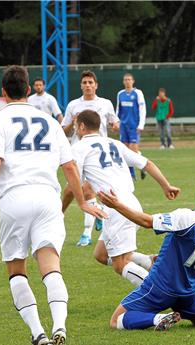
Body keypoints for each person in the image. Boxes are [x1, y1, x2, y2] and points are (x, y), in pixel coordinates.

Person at [0, 65, 106, 345]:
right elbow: (69, 168)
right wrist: (80, 203)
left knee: (17, 269)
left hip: (14, 199)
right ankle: (60, 326)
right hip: (48, 198)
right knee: (51, 265)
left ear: (3, 93)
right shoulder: (50, 122)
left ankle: (38, 332)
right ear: (28, 90)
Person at [98, 173, 195, 331]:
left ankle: (159, 317)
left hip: (161, 287)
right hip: (190, 293)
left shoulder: (187, 217)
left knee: (116, 320)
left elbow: (147, 221)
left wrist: (116, 205)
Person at [64, 109, 180, 288]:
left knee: (120, 264)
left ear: (81, 126)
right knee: (101, 254)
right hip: (131, 204)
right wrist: (166, 186)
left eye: (75, 126)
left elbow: (72, 185)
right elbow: (146, 163)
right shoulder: (114, 143)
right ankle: (149, 262)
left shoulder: (78, 148)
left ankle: (158, 292)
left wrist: (62, 210)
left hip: (116, 207)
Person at [61, 70, 120, 247]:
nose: (87, 85)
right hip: (76, 153)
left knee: (87, 191)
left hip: (96, 155)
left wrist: (115, 125)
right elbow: (63, 131)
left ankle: (86, 234)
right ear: (81, 85)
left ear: (96, 85)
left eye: (90, 82)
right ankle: (98, 210)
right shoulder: (73, 105)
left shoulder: (105, 103)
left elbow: (114, 122)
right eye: (84, 82)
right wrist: (72, 121)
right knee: (71, 191)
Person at [116, 73, 147, 180]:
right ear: (123, 82)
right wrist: (117, 122)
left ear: (133, 81)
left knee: (133, 150)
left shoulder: (138, 93)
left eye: (129, 79)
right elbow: (118, 110)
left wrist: (141, 125)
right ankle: (132, 175)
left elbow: (142, 110)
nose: (127, 81)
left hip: (134, 126)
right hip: (123, 126)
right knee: (124, 150)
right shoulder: (120, 94)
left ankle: (142, 165)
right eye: (125, 79)